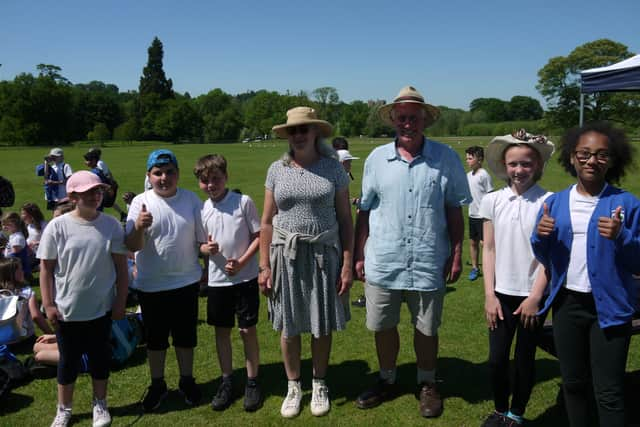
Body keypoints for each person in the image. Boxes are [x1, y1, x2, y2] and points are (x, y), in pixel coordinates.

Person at [354, 86, 471, 418]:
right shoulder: (376, 159)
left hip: (428, 258)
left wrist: (458, 252)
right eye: (402, 117)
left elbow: (453, 210)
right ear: (393, 119)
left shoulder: (446, 157)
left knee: (427, 328)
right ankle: (387, 379)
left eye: (414, 118)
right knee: (382, 325)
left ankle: (427, 383)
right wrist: (359, 255)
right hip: (384, 258)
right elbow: (364, 210)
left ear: (424, 120)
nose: (408, 124)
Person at [531, 122, 640, 427]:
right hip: (567, 306)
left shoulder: (627, 204)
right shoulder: (554, 202)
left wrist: (623, 237)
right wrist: (540, 237)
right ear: (572, 158)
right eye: (585, 154)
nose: (592, 160)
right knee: (574, 384)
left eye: (602, 155)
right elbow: (544, 256)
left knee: (609, 391)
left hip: (611, 309)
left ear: (613, 160)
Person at [259, 106, 353, 418]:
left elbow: (345, 220)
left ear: (316, 132)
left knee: (320, 322)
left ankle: (320, 382)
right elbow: (267, 221)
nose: (298, 135)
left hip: (324, 255)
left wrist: (347, 263)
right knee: (288, 324)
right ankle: (293, 385)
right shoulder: (276, 169)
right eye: (293, 131)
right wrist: (264, 266)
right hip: (285, 257)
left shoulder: (334, 168)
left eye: (304, 129)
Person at [37, 170, 128, 427]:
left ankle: (100, 404)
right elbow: (46, 268)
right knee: (68, 361)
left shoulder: (110, 224)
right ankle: (63, 409)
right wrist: (50, 304)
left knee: (100, 359)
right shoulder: (58, 226)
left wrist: (120, 301)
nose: (95, 196)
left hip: (101, 309)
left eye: (97, 191)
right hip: (67, 310)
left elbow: (121, 268)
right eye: (87, 192)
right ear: (73, 196)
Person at [479, 130, 554, 426]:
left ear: (536, 166)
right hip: (500, 294)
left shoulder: (549, 201)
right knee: (497, 359)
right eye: (513, 164)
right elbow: (489, 249)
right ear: (504, 166)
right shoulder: (493, 200)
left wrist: (536, 296)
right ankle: (500, 410)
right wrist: (489, 294)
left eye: (526, 163)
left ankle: (516, 414)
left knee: (524, 358)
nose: (519, 170)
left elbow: (551, 256)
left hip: (532, 296)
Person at [125, 149, 207, 412]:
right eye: (158, 173)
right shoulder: (140, 202)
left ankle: (187, 380)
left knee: (185, 337)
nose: (164, 178)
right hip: (151, 284)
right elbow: (132, 245)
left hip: (185, 281)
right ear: (149, 175)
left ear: (178, 174)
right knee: (156, 340)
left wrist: (207, 267)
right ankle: (157, 383)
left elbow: (201, 240)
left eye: (169, 172)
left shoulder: (191, 200)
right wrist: (138, 226)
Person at [194, 154, 263, 412]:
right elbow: (199, 244)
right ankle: (226, 380)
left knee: (247, 330)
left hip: (244, 278)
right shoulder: (202, 210)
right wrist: (205, 248)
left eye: (216, 179)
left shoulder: (243, 202)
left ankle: (253, 380)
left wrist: (243, 261)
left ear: (226, 177)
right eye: (205, 181)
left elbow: (259, 235)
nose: (211, 184)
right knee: (221, 331)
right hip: (217, 282)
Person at [0, 257, 53, 349]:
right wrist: (49, 333)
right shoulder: (27, 292)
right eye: (20, 269)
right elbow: (36, 316)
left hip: (3, 341)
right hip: (25, 339)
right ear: (12, 274)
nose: (23, 271)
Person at [465, 146, 493, 281]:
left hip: (483, 216)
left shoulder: (484, 175)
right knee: (473, 243)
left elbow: (490, 194)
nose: (467, 161)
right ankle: (475, 268)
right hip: (472, 214)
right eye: (467, 158)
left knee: (485, 244)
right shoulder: (468, 175)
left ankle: (491, 268)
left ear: (480, 159)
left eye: (470, 158)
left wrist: (488, 214)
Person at [84, 148, 127, 220]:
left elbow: (102, 179)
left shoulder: (96, 170)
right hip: (103, 193)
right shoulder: (96, 169)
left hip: (100, 194)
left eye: (87, 160)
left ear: (94, 160)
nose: (85, 162)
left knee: (98, 212)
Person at [1, 212, 32, 280]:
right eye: (3, 224)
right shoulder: (13, 235)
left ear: (16, 225)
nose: (4, 227)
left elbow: (15, 257)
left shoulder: (17, 238)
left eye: (8, 224)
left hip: (18, 272)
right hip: (12, 268)